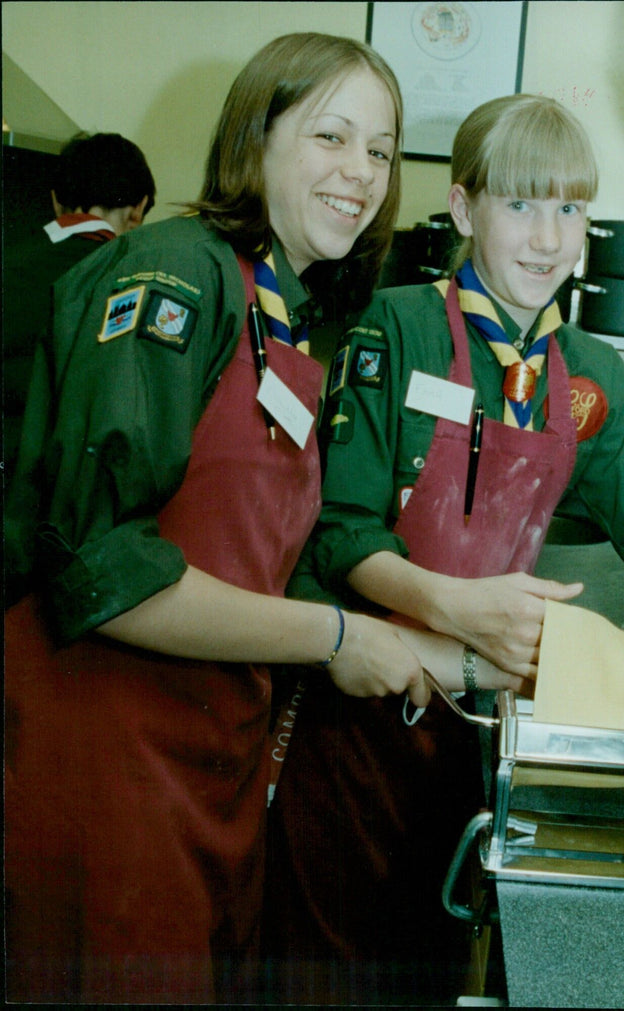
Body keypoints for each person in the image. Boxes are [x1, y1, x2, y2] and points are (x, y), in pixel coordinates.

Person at [3, 34, 528, 1005]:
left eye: (379, 149)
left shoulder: (277, 311)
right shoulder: (169, 274)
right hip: (108, 763)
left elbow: (265, 566)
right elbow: (102, 567)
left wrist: (475, 658)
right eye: (330, 135)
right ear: (256, 137)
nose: (360, 174)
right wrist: (338, 635)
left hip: (214, 765)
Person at [266, 94, 624, 1004]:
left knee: (432, 970)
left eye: (570, 208)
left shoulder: (588, 374)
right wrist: (458, 608)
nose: (550, 239)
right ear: (463, 209)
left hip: (483, 736)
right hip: (359, 724)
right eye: (521, 205)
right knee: (330, 973)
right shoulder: (393, 328)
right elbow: (338, 530)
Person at [3, 131, 156, 478]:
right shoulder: (136, 284)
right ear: (138, 209)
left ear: (57, 201)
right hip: (66, 495)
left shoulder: (9, 261)